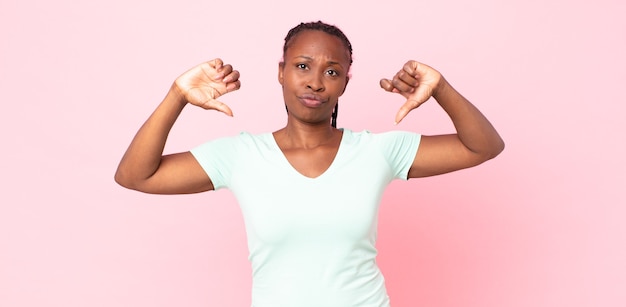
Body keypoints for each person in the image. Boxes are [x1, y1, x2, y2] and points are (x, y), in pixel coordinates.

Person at [115, 21, 504, 307]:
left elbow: (482, 147)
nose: (316, 82)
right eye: (302, 66)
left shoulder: (376, 152)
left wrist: (440, 88)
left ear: (345, 84)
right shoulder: (240, 156)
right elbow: (135, 175)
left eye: (331, 71)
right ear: (281, 72)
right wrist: (177, 95)